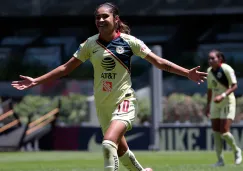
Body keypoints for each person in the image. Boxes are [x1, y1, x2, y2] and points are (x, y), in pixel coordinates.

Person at [12, 2, 207, 171]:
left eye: (105, 16)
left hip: (124, 102)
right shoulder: (90, 44)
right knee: (121, 151)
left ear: (116, 19)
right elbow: (65, 68)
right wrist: (36, 80)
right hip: (103, 105)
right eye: (97, 17)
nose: (100, 20)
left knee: (107, 144)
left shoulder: (129, 42)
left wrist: (187, 72)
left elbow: (160, 62)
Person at [206, 49, 242, 167]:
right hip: (215, 104)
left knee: (224, 132)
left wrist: (222, 95)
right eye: (209, 59)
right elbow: (210, 90)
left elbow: (235, 86)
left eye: (213, 58)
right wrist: (208, 105)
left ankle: (237, 151)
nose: (210, 61)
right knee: (216, 132)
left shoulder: (227, 69)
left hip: (227, 102)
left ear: (219, 59)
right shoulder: (209, 71)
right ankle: (220, 160)